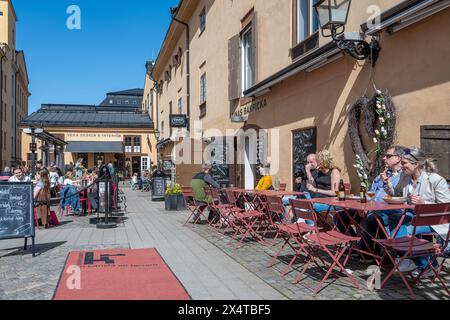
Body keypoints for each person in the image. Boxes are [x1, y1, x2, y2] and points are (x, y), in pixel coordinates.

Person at [384, 147, 450, 276]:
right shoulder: (405, 176)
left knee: (402, 231)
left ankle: (411, 261)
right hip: (411, 216)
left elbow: (446, 207)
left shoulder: (435, 180)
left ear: (416, 164)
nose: (401, 166)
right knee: (393, 218)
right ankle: (424, 264)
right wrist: (387, 184)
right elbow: (397, 194)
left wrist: (424, 203)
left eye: (404, 163)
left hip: (432, 220)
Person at [357, 146, 405, 257]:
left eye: (388, 156)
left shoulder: (404, 176)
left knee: (369, 221)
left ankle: (368, 255)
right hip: (371, 210)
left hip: (390, 213)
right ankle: (354, 246)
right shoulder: (381, 175)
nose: (384, 158)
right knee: (343, 215)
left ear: (398, 158)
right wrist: (363, 206)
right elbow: (371, 193)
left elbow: (400, 198)